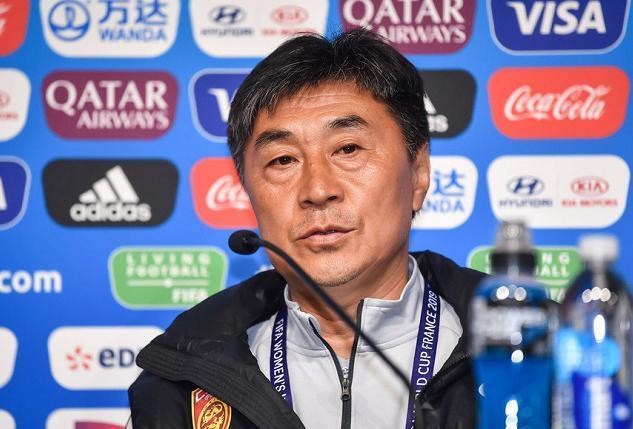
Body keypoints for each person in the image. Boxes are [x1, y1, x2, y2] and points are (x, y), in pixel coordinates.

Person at [128, 29, 484, 429]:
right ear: (247, 190)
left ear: (418, 173)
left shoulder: (527, 350)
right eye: (283, 160)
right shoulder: (179, 382)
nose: (317, 190)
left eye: (348, 149)